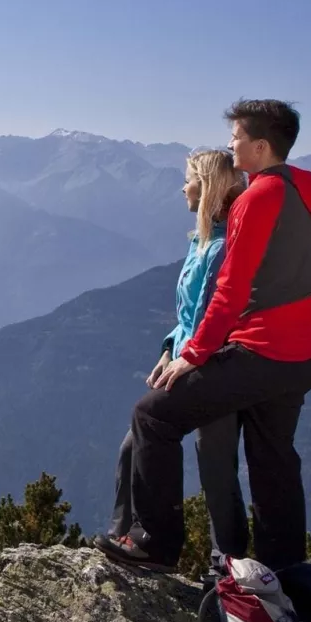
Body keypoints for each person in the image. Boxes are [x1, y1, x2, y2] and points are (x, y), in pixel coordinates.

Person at [98, 99, 311, 574]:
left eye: (238, 137)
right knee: (273, 460)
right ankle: (281, 573)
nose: (231, 144)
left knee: (153, 417)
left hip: (261, 349)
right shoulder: (309, 190)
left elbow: (231, 287)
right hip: (306, 354)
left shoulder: (257, 198)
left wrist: (193, 354)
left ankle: (155, 543)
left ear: (261, 145)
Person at [109, 148, 247, 564]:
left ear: (205, 188)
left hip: (214, 365)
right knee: (135, 446)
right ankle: (124, 537)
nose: (182, 187)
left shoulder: (221, 247)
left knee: (216, 463)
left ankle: (227, 562)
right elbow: (189, 317)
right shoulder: (204, 240)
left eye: (187, 179)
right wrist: (170, 346)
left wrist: (182, 357)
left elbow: (212, 317)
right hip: (189, 357)